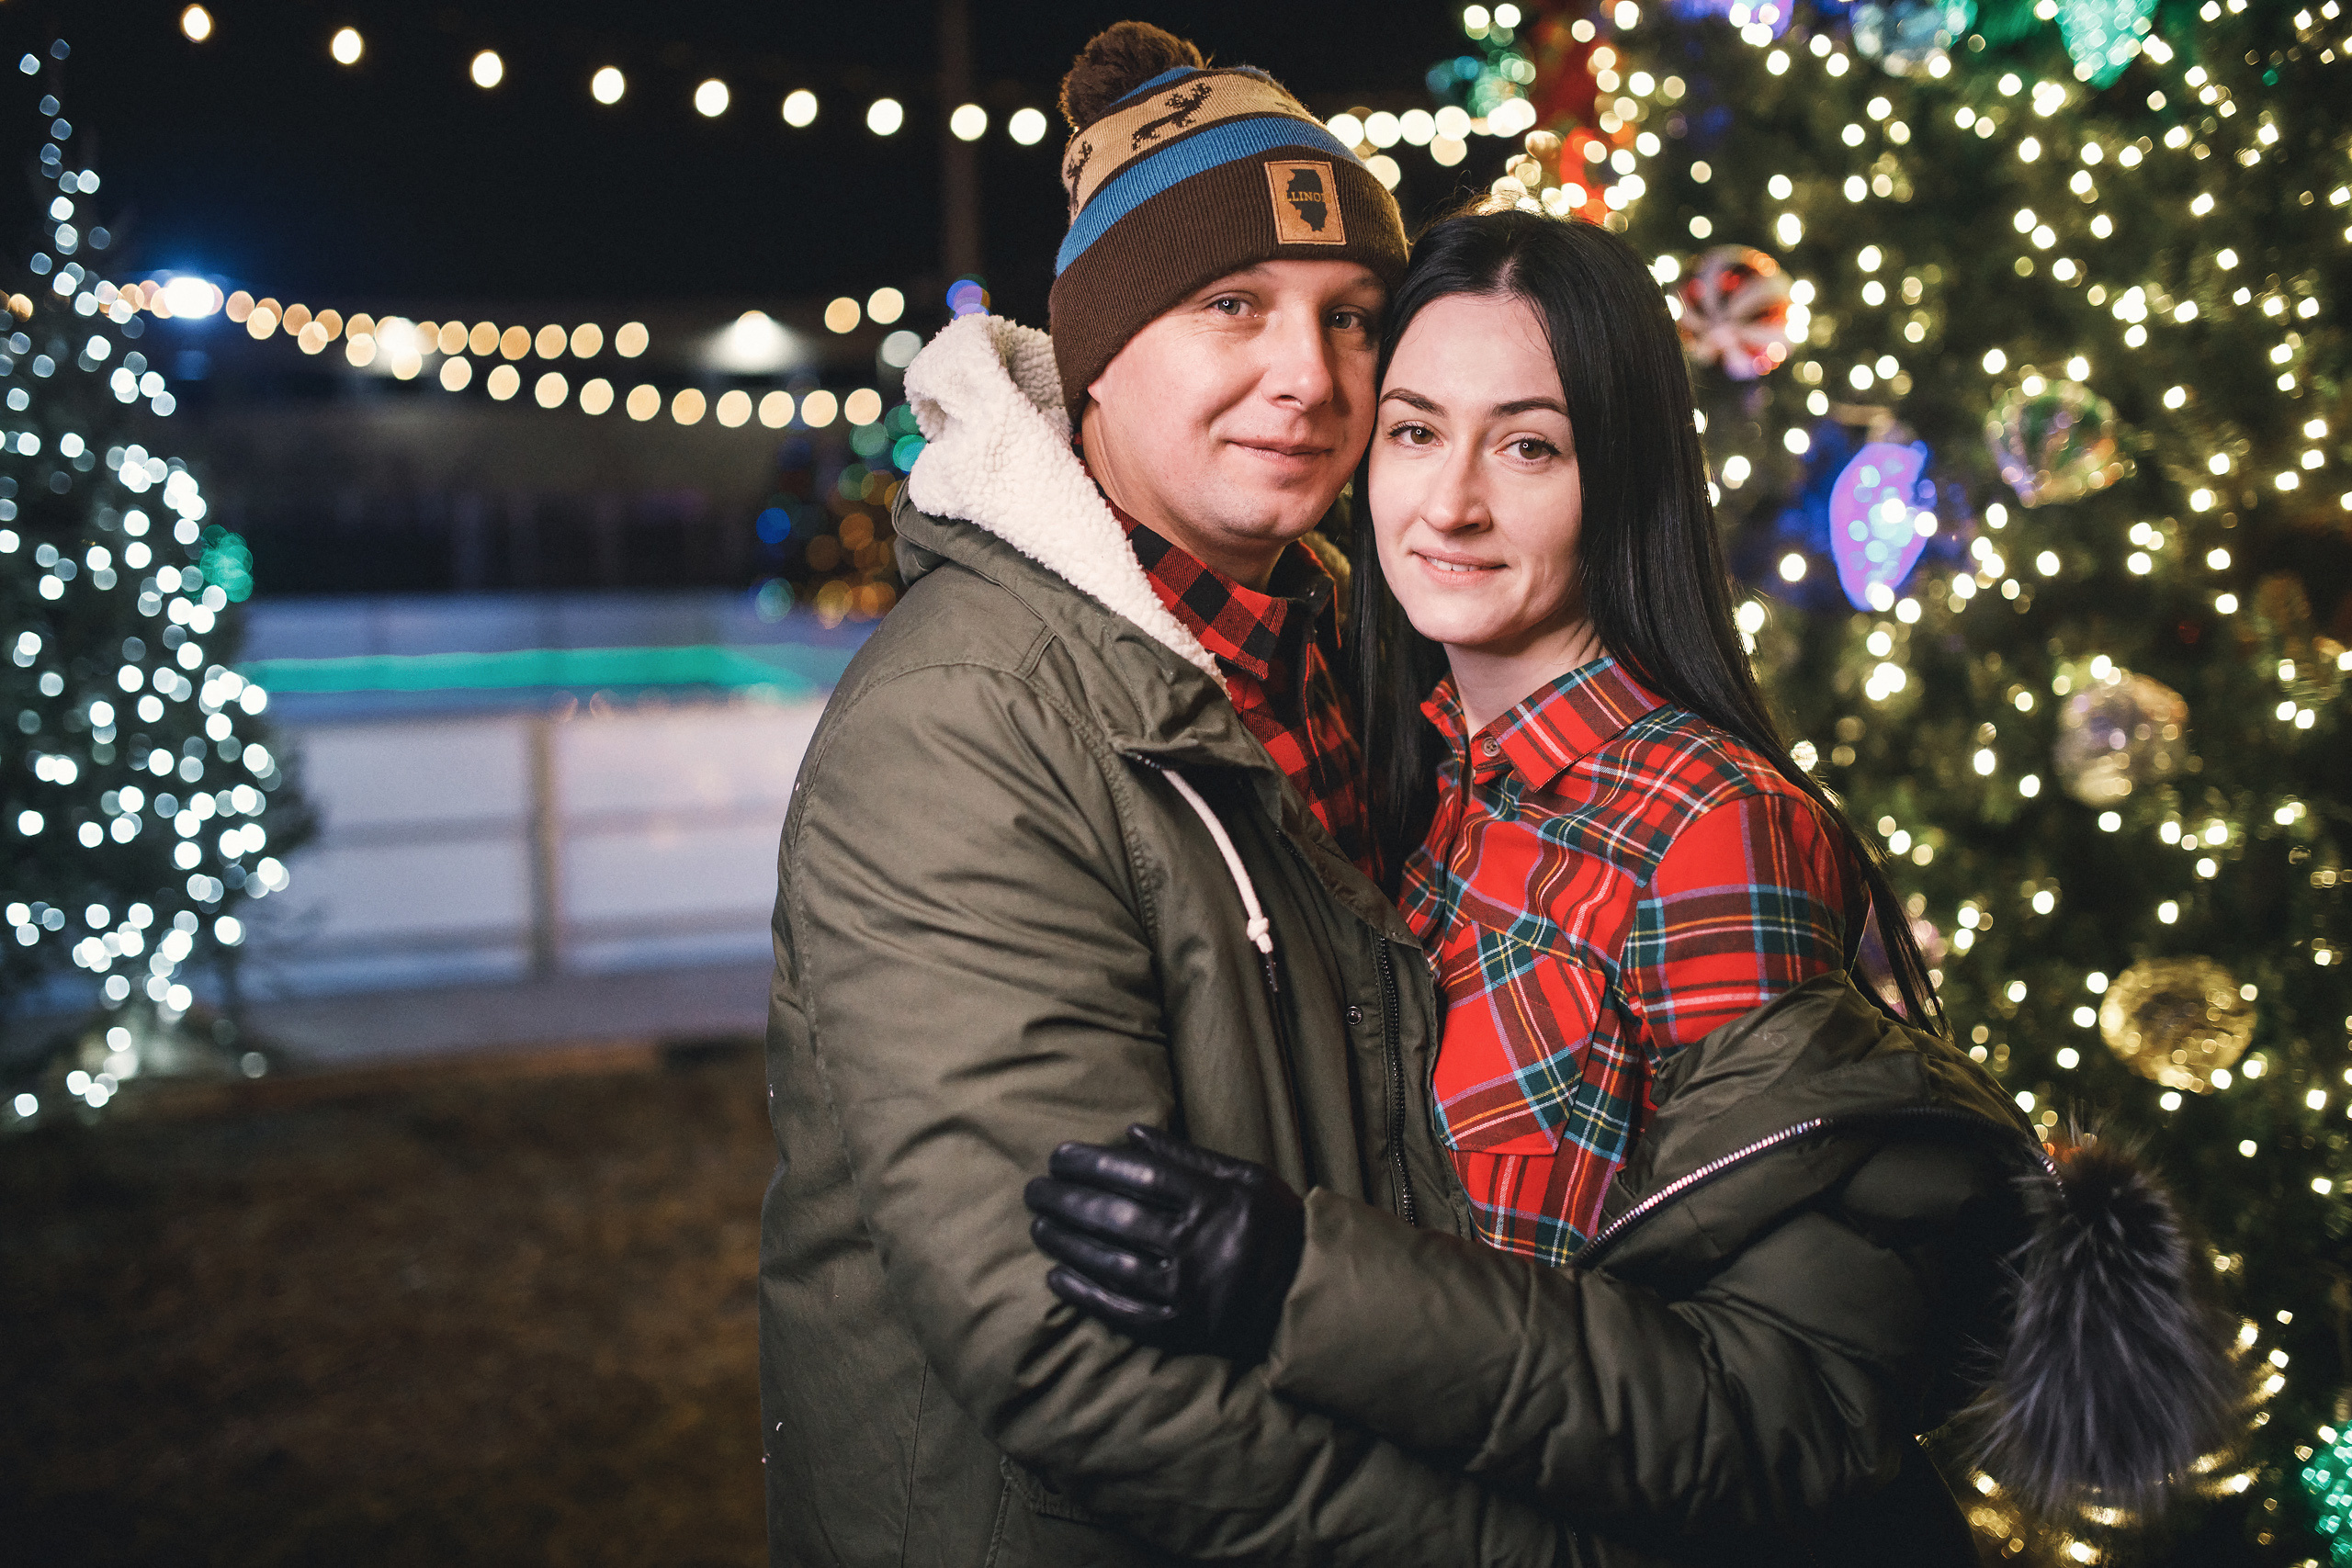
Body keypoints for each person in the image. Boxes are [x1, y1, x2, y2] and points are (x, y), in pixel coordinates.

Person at [1026, 211, 2238, 1564]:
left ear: (1623, 476)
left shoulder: (1709, 828)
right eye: (1417, 431)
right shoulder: (1399, 787)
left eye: (1529, 445)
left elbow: (1780, 1405)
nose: (1451, 503)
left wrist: (1297, 1284)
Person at [760, 25, 1572, 1568]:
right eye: (1231, 307)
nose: (1308, 379)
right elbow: (1072, 1352)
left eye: (1353, 322)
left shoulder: (1346, 652)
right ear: (1102, 350)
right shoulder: (969, 723)